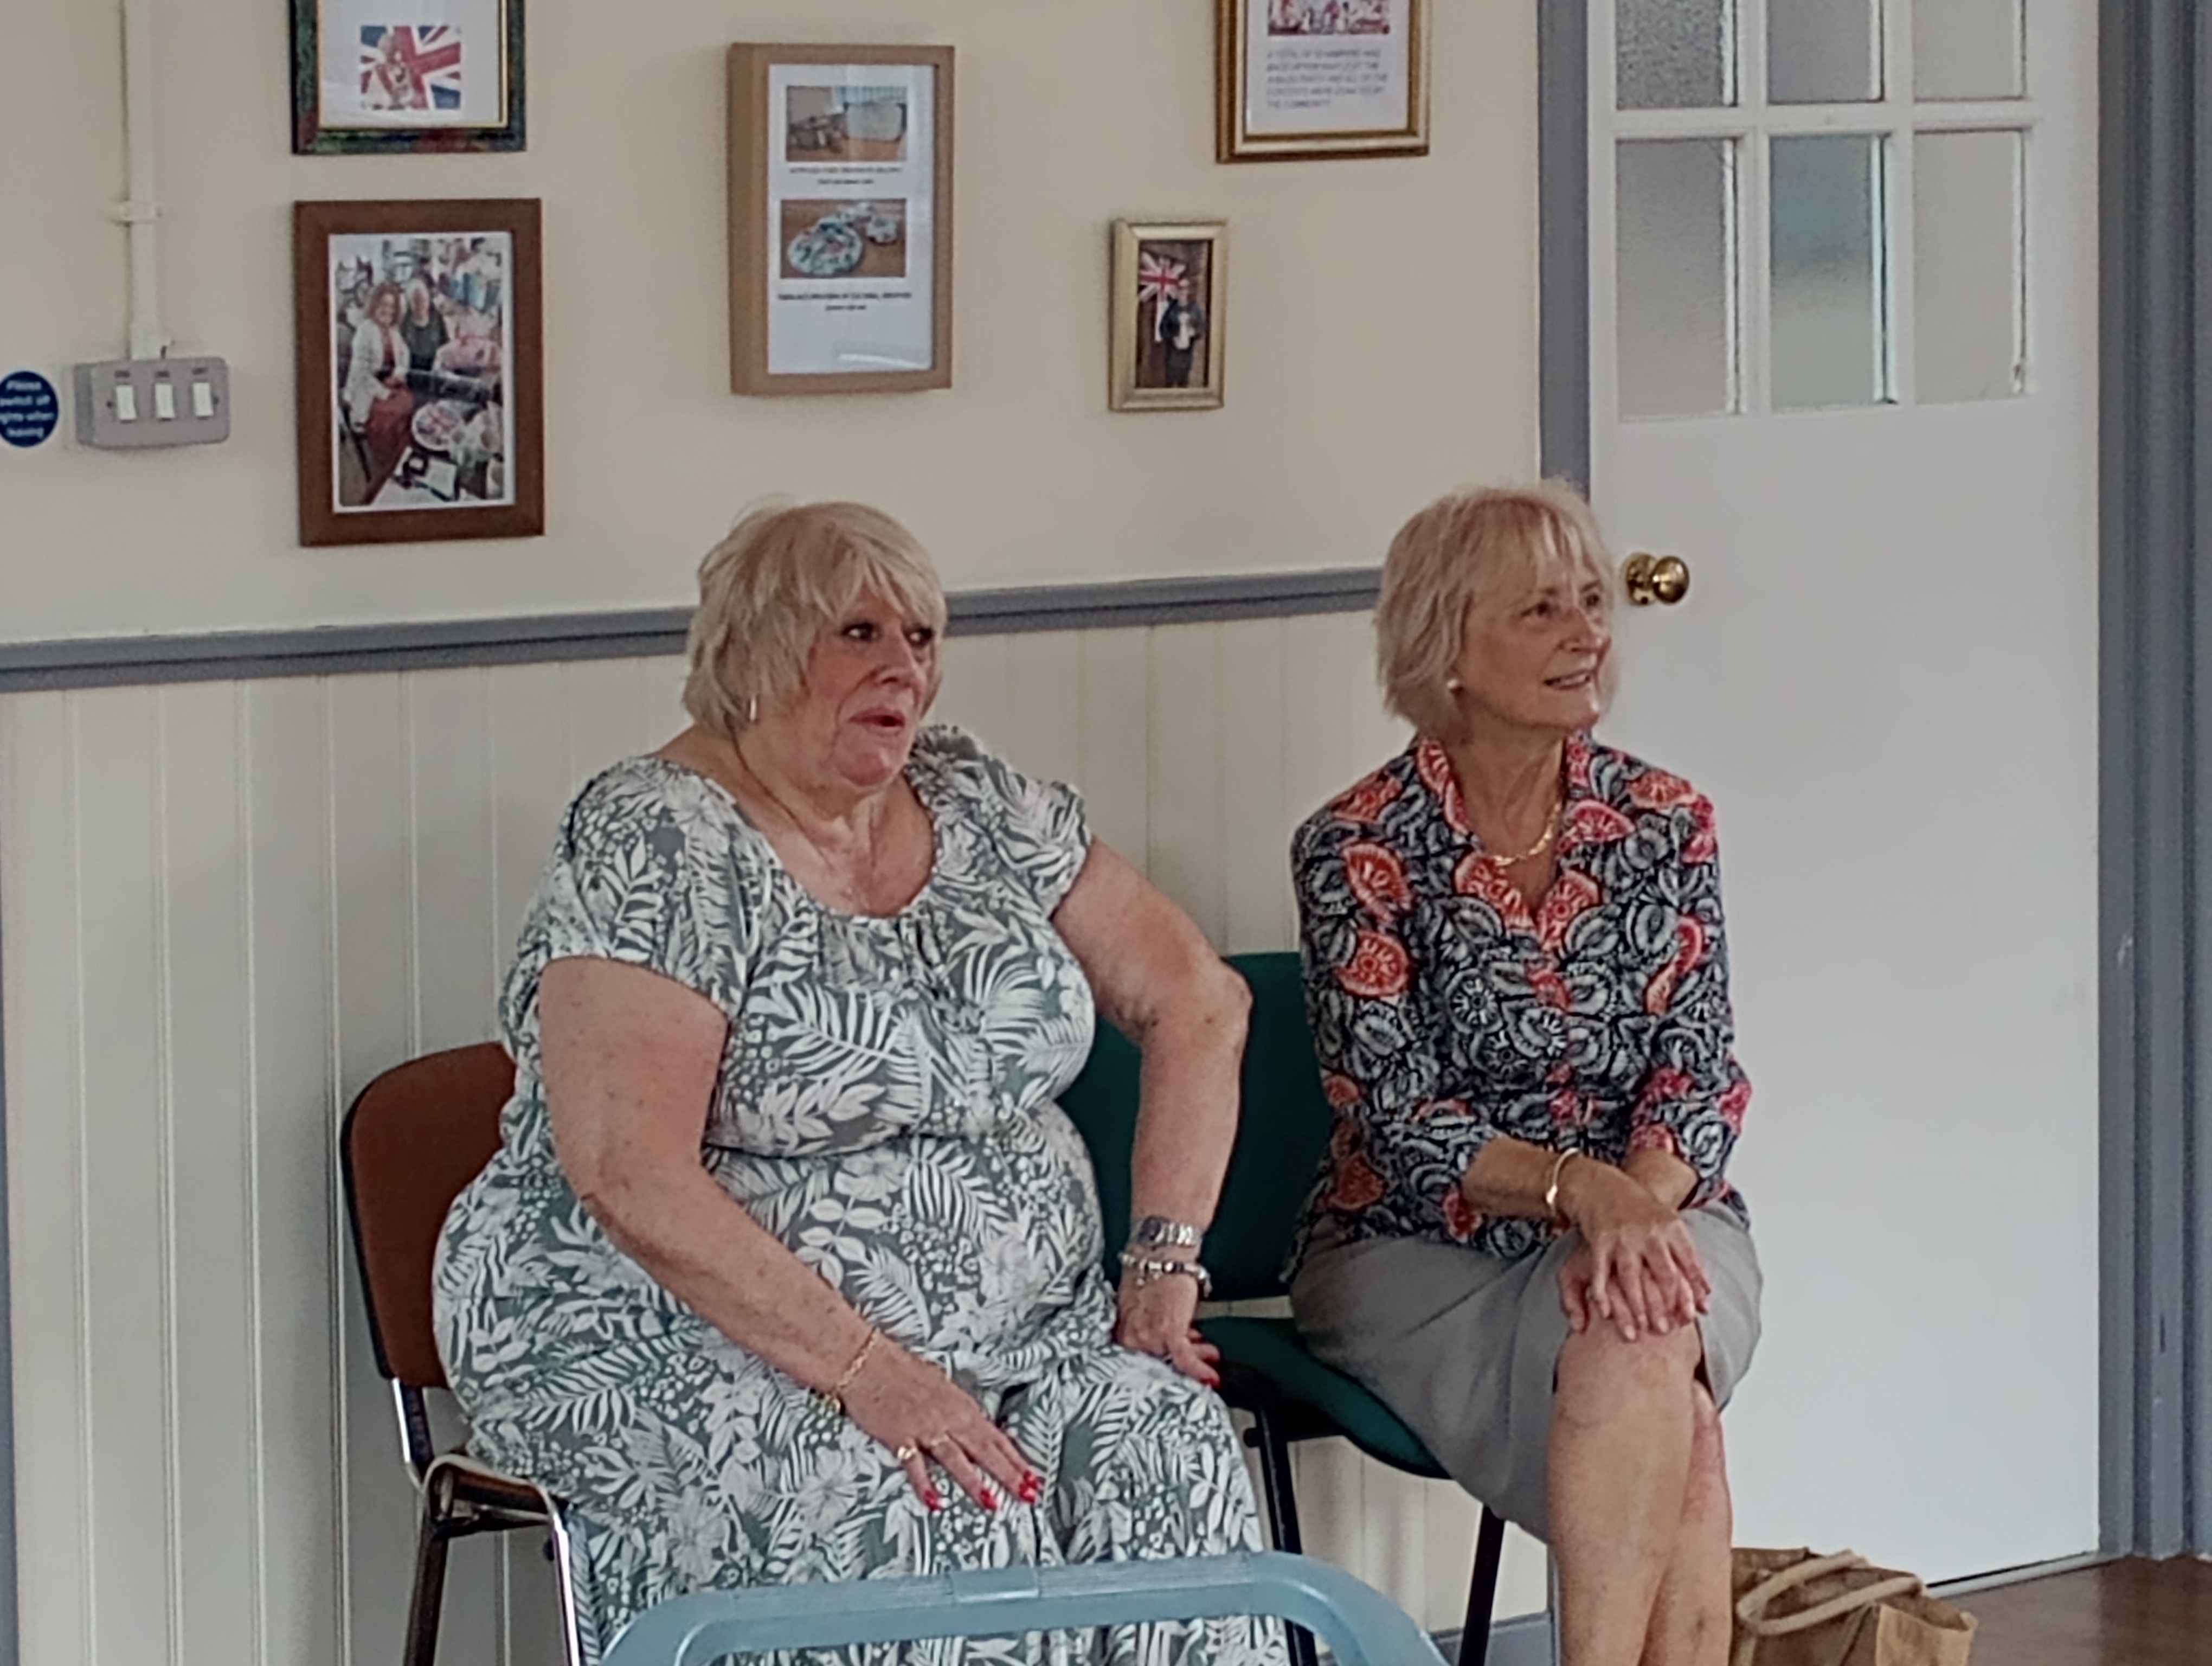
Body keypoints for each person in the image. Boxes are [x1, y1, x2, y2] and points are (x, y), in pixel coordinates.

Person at [433, 501, 1284, 1666]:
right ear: (757, 651)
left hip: (1023, 1334)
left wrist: (1162, 1273)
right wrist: (868, 1372)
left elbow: (1199, 1000)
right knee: (928, 1505)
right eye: (860, 634)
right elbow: (628, 1171)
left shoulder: (978, 800)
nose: (904, 669)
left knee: (1167, 1445)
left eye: (922, 637)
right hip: (682, 1335)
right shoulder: (659, 836)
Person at [1286, 482, 1761, 1666]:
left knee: (1639, 1330)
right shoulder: (1356, 848)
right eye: (1541, 610)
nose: (1586, 634)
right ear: (1445, 647)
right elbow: (1397, 1118)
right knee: (1675, 1411)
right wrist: (1576, 1193)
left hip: (1661, 1214)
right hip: (1419, 1247)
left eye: (1593, 602)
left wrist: (1629, 1211)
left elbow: (1698, 1074)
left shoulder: (1666, 821)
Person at [342, 281, 414, 494]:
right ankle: (388, 462)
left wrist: (397, 374)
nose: (388, 310)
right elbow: (361, 374)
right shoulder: (365, 331)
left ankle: (401, 453)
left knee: (409, 404)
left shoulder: (393, 331)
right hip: (367, 392)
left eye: (392, 307)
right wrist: (383, 392)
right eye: (384, 304)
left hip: (391, 384)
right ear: (374, 305)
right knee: (391, 415)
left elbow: (405, 357)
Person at [398, 281, 449, 388]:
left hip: (434, 369)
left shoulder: (437, 319)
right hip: (411, 371)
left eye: (424, 300)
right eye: (416, 301)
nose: (421, 305)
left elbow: (446, 344)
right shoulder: (404, 323)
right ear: (410, 303)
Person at [1158, 280, 1207, 388]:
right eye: (1180, 289)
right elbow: (1163, 329)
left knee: (1184, 379)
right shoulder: (1171, 310)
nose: (1182, 292)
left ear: (1189, 291)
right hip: (1172, 353)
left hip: (1187, 353)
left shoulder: (1195, 310)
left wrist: (1194, 332)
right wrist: (1172, 337)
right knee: (1170, 379)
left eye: (1185, 289)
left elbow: (1201, 328)